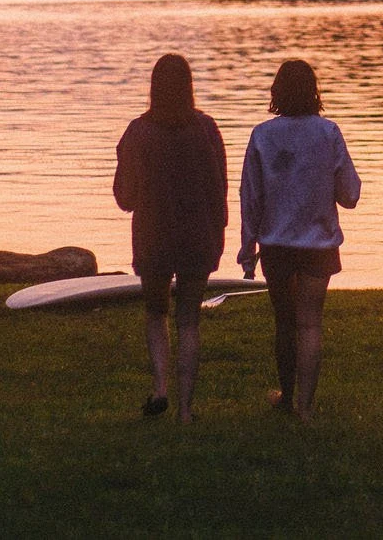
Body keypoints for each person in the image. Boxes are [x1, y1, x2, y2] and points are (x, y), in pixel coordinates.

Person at [238, 58, 361, 420]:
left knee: (284, 322)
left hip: (275, 244)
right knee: (310, 323)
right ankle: (305, 408)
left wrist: (247, 249)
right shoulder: (328, 133)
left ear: (276, 92)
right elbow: (350, 194)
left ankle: (287, 396)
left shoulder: (262, 135)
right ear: (314, 92)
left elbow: (251, 197)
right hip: (318, 244)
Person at [112, 53, 226, 423]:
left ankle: (161, 388)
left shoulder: (137, 132)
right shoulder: (207, 130)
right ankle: (186, 410)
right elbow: (219, 189)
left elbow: (124, 198)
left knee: (155, 312)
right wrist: (219, 232)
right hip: (198, 235)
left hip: (154, 235)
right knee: (189, 320)